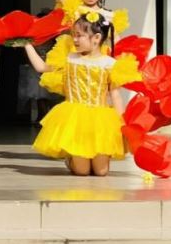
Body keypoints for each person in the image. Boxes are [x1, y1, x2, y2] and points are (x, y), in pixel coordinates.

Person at [21, 11, 140, 177]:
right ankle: (71, 159)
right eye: (73, 35)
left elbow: (115, 95)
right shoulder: (69, 58)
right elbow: (41, 67)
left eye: (79, 36)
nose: (74, 40)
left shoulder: (110, 64)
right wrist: (26, 44)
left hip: (101, 118)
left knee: (101, 172)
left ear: (96, 38)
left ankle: (96, 159)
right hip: (74, 116)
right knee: (82, 171)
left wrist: (122, 123)